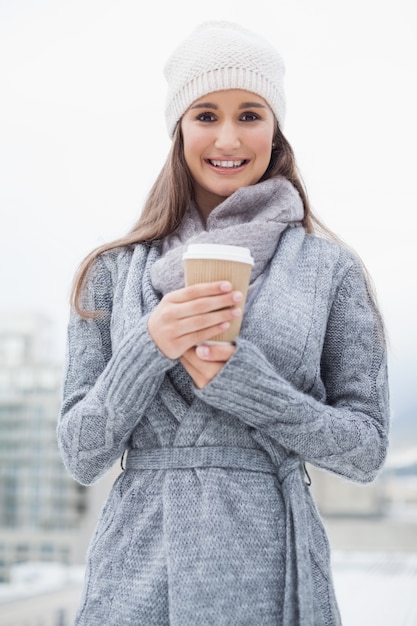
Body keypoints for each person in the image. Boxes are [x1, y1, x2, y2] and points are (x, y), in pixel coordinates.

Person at [57, 21, 390, 626]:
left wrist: (248, 387)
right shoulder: (112, 271)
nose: (228, 137)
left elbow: (365, 451)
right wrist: (150, 345)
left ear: (276, 128)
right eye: (206, 115)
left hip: (272, 567)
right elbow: (81, 453)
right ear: (178, 127)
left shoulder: (329, 269)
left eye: (251, 114)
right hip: (138, 574)